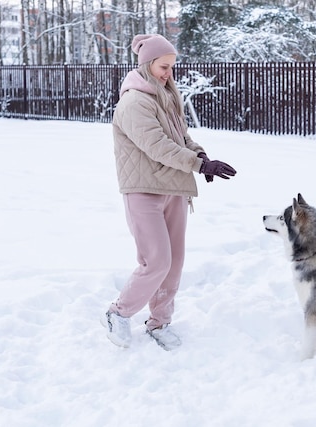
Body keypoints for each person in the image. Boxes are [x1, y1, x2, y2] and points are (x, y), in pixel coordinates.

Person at [101, 34, 237, 350]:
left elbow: (182, 137)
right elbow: (158, 147)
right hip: (144, 190)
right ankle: (117, 313)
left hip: (174, 188)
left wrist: (201, 157)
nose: (168, 73)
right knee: (156, 261)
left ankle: (159, 322)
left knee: (173, 263)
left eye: (172, 67)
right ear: (148, 64)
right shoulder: (134, 101)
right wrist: (198, 166)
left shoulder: (165, 96)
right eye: (164, 67)